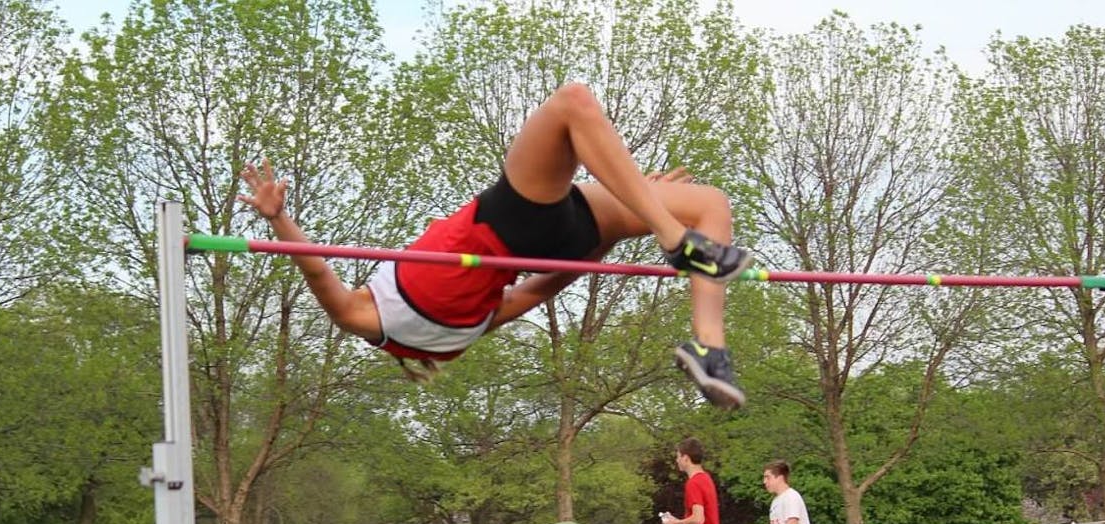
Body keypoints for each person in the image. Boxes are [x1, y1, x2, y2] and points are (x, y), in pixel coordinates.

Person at [237, 82, 751, 408]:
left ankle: (711, 349)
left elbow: (542, 289)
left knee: (707, 204)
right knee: (573, 103)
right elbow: (318, 274)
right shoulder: (370, 320)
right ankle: (673, 242)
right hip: (514, 220)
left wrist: (620, 220)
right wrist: (280, 220)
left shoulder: (462, 335)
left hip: (563, 240)